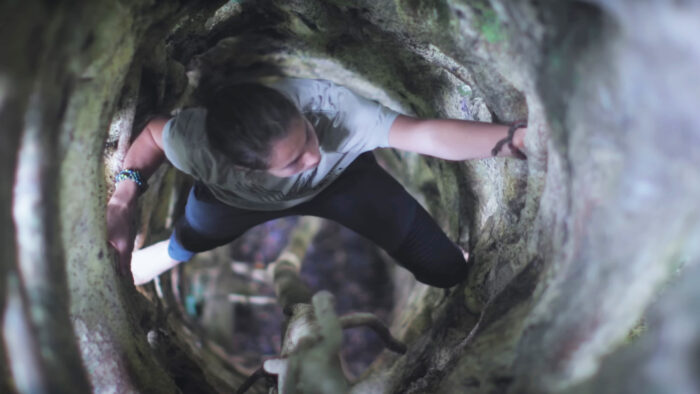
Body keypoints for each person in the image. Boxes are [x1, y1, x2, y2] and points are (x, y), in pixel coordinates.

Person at [106, 77, 527, 288]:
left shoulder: (336, 111)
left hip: (343, 182)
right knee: (189, 240)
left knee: (446, 271)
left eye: (307, 133)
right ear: (246, 169)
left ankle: (455, 255)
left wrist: (514, 141)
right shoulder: (193, 144)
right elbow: (151, 135)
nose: (313, 154)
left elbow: (423, 134)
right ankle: (170, 254)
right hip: (234, 202)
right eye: (294, 160)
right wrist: (123, 201)